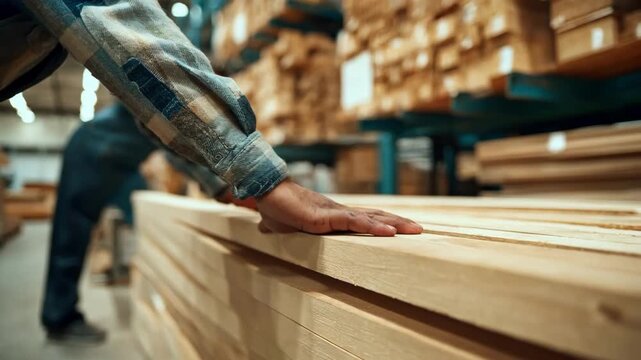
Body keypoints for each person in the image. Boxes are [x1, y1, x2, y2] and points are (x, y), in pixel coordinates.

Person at [1, 0, 423, 345]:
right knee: (72, 230)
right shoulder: (133, 115)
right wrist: (259, 175)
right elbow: (119, 26)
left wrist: (232, 187)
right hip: (90, 152)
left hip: (120, 158)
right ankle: (58, 316)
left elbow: (168, 134)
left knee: (128, 217)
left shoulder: (145, 121)